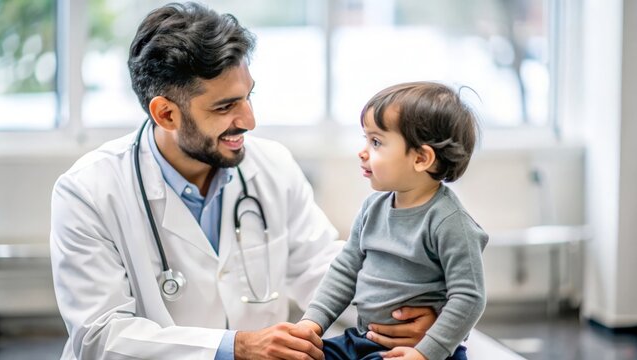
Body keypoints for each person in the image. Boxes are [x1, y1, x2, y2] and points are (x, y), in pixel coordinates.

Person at [49, 3, 437, 359]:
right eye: (225, 106)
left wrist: (398, 315)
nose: (249, 120)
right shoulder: (88, 192)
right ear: (166, 114)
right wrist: (233, 347)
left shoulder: (272, 166)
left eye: (248, 96)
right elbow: (99, 337)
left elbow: (322, 268)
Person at [297, 82, 489, 360]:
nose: (362, 152)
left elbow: (469, 298)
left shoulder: (449, 222)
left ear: (422, 158)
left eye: (375, 142)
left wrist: (426, 353)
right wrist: (312, 324)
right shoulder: (372, 209)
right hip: (363, 340)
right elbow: (344, 270)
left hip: (419, 351)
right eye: (365, 139)